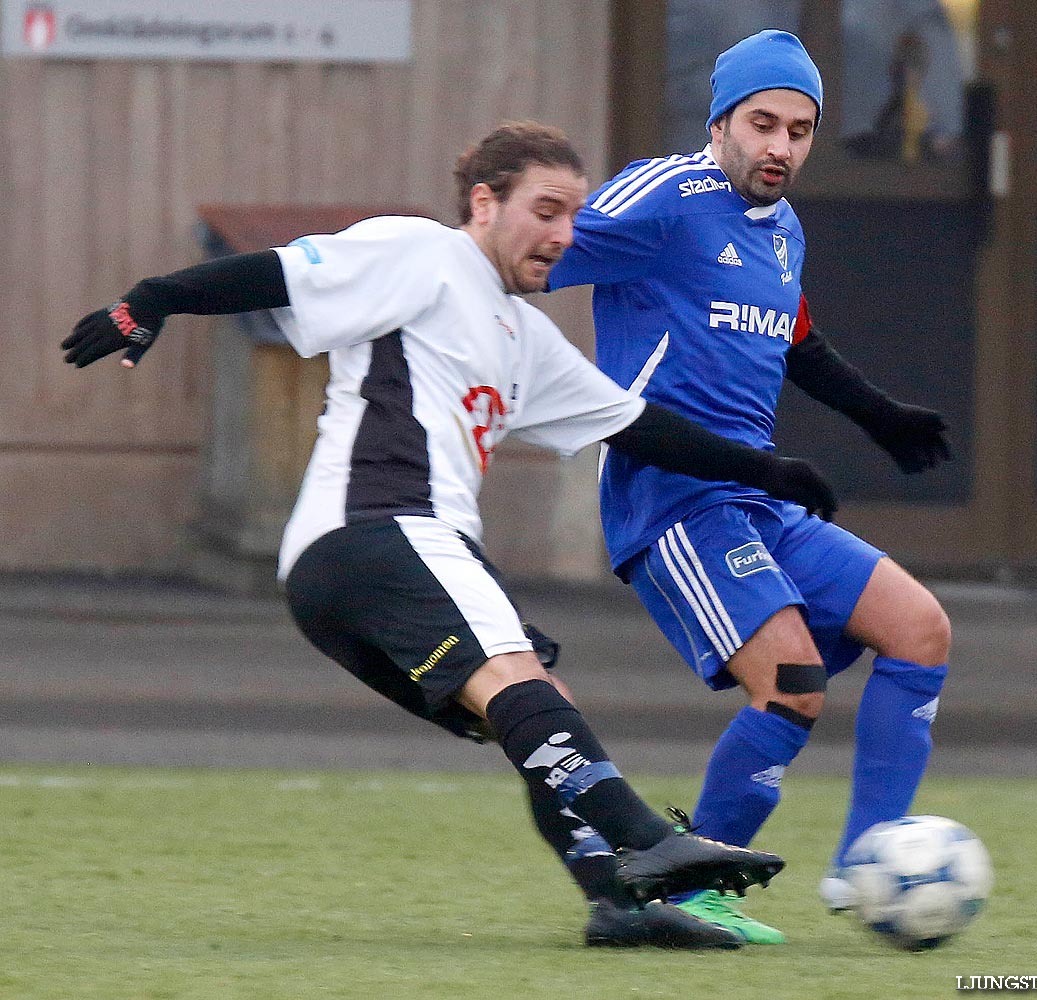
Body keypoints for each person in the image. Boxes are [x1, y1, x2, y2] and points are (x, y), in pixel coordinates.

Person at [61, 122, 846, 949]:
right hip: (379, 527)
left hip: (360, 569)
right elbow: (281, 272)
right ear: (483, 201)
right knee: (519, 682)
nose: (562, 235)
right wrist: (149, 299)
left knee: (537, 708)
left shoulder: (525, 337)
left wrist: (769, 473)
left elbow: (638, 425)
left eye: (572, 217)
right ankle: (650, 843)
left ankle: (618, 904)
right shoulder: (425, 252)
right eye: (544, 210)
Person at [547, 31, 954, 945]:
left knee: (920, 630)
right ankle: (685, 888)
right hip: (672, 497)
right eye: (761, 123)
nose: (780, 146)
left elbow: (794, 340)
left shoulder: (782, 227)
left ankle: (868, 864)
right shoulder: (663, 197)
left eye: (800, 130)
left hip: (758, 496)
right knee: (794, 685)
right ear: (719, 122)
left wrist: (878, 414)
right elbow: (536, 251)